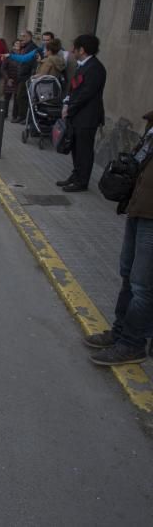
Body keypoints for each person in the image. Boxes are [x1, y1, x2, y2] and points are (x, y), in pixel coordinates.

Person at [85, 110, 153, 365]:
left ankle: (133, 344)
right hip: (138, 207)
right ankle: (120, 332)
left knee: (143, 285)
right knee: (127, 274)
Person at [57, 35, 106, 193]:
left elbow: (85, 94)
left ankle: (82, 181)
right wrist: (66, 102)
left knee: (84, 151)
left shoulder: (95, 68)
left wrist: (69, 109)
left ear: (82, 50)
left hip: (87, 117)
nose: (72, 51)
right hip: (78, 115)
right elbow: (74, 90)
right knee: (76, 148)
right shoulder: (83, 65)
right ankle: (76, 175)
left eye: (74, 48)